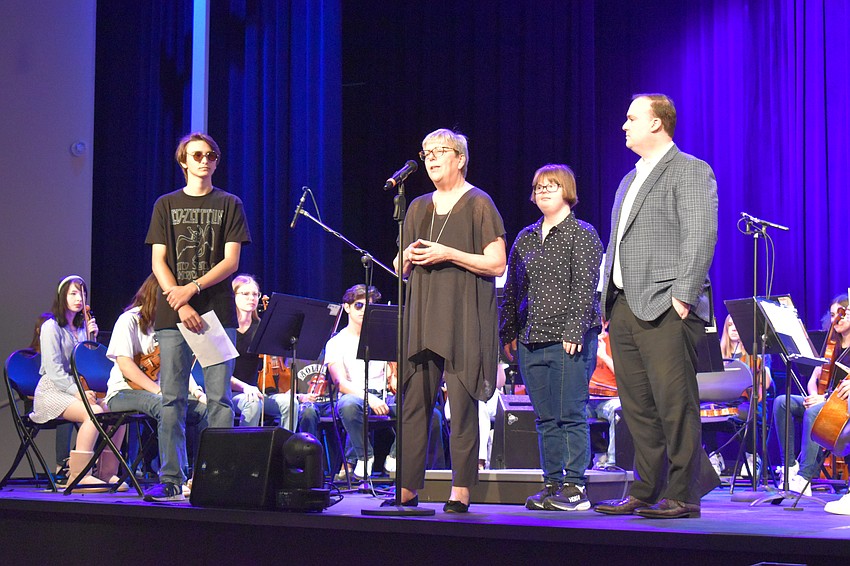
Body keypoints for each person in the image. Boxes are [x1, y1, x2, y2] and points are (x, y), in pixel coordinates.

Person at [596, 94, 720, 519]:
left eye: (631, 118)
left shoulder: (689, 170)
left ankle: (684, 494)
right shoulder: (628, 180)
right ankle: (646, 488)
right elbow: (616, 244)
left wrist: (684, 296)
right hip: (625, 305)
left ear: (657, 124)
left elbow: (700, 235)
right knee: (637, 406)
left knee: (674, 403)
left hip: (667, 301)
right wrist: (604, 302)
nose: (623, 125)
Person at [394, 128, 506, 512]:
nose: (431, 158)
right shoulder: (416, 207)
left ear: (460, 158)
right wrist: (406, 256)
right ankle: (407, 487)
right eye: (426, 152)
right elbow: (400, 270)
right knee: (413, 404)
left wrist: (449, 253)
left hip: (462, 317)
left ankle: (461, 489)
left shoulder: (479, 204)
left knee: (461, 404)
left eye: (440, 151)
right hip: (423, 316)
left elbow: (497, 263)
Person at [144, 132, 251, 502]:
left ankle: (218, 476)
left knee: (220, 399)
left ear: (216, 162)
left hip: (216, 312)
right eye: (197, 155)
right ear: (183, 162)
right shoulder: (166, 204)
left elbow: (231, 261)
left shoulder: (230, 203)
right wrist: (182, 301)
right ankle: (172, 477)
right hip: (174, 314)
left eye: (210, 155)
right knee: (172, 398)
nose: (204, 160)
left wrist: (193, 290)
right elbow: (159, 260)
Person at [500, 163, 602, 511]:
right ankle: (552, 484)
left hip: (567, 338)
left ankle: (575, 487)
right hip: (531, 339)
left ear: (567, 191)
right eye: (539, 186)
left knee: (570, 413)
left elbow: (586, 287)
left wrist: (574, 329)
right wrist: (508, 331)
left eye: (552, 185)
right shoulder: (525, 236)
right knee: (544, 418)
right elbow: (513, 290)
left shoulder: (582, 233)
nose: (543, 191)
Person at [104, 274, 208, 492]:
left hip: (160, 393)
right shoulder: (129, 320)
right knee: (168, 407)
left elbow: (179, 370)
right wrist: (160, 391)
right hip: (123, 393)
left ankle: (200, 475)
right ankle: (173, 478)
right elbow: (126, 366)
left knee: (203, 410)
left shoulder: (172, 327)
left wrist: (197, 392)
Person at [30, 275, 124, 490]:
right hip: (53, 390)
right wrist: (79, 392)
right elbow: (54, 371)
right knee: (94, 413)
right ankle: (79, 475)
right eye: (73, 293)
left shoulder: (82, 329)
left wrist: (92, 340)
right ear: (62, 296)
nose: (78, 299)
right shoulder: (51, 327)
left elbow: (87, 367)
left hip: (78, 389)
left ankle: (107, 472)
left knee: (115, 413)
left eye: (82, 294)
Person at [774, 295, 850, 499]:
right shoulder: (831, 346)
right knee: (782, 401)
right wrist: (814, 394)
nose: (838, 319)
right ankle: (789, 467)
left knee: (815, 411)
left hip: (841, 407)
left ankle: (805, 476)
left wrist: (823, 399)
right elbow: (815, 377)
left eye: (843, 314)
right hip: (823, 399)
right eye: (833, 315)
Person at [324, 285, 396, 479]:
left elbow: (392, 374)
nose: (364, 310)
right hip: (355, 395)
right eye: (358, 305)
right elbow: (340, 383)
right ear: (346, 307)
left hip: (383, 396)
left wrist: (394, 377)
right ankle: (365, 457)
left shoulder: (384, 337)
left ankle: (395, 457)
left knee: (420, 405)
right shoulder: (336, 342)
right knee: (348, 406)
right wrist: (369, 398)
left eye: (369, 306)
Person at [705, 315, 773, 478]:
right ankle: (714, 456)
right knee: (702, 412)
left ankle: (751, 456)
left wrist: (761, 364)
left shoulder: (756, 353)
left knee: (747, 411)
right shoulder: (717, 354)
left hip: (746, 402)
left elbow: (767, 382)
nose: (734, 328)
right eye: (729, 325)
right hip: (721, 403)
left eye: (737, 325)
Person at [230, 274, 297, 428]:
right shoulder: (226, 328)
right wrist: (245, 387)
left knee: (290, 403)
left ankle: (286, 449)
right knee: (252, 403)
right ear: (233, 296)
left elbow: (277, 365)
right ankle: (246, 450)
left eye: (255, 294)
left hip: (258, 393)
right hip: (231, 393)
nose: (251, 298)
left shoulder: (262, 328)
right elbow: (219, 374)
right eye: (245, 294)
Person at [29, 312, 74, 481]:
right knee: (66, 412)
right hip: (42, 399)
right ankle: (62, 464)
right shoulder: (33, 355)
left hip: (65, 392)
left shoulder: (65, 350)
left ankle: (76, 462)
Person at [587, 321, 622, 471]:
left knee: (618, 413)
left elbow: (623, 374)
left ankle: (612, 463)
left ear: (606, 322)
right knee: (569, 412)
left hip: (610, 398)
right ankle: (576, 465)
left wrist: (604, 356)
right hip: (587, 398)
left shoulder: (615, 342)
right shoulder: (583, 340)